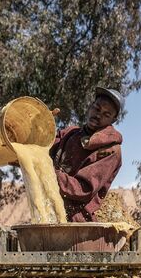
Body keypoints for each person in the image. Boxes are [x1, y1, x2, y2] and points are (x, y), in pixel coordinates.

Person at [49, 87, 124, 222]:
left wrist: (47, 173)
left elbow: (83, 188)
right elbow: (41, 149)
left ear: (113, 120)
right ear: (90, 106)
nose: (98, 115)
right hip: (49, 213)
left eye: (106, 115)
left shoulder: (111, 151)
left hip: (77, 224)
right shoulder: (70, 134)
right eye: (97, 108)